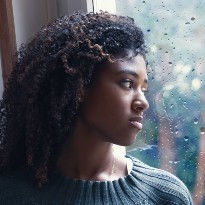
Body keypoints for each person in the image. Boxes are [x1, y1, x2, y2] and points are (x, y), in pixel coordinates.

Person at [0, 11, 193, 204]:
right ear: (80, 86)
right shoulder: (11, 194)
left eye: (143, 89)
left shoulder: (166, 196)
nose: (143, 102)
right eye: (127, 83)